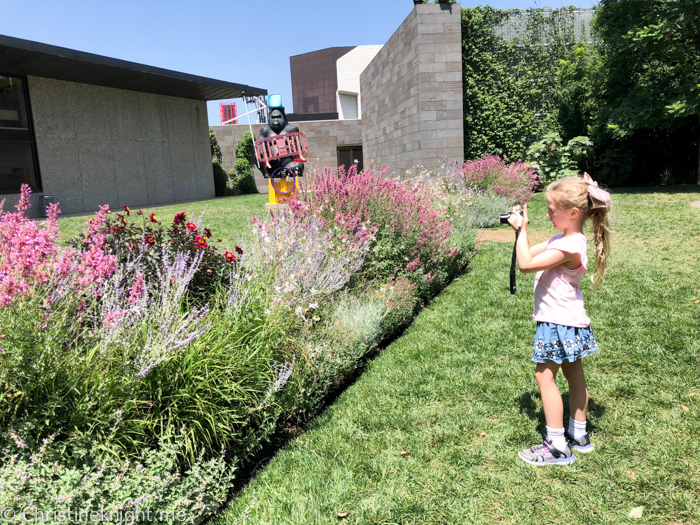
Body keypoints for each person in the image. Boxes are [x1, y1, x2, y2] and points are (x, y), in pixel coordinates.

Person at [507, 173, 611, 465]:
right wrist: (520, 231)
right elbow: (526, 252)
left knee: (544, 376)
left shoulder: (569, 247)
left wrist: (523, 229)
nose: (548, 214)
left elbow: (526, 264)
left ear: (573, 213)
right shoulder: (564, 239)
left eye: (552, 209)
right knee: (574, 375)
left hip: (557, 323)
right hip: (571, 321)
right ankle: (578, 434)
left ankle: (557, 446)